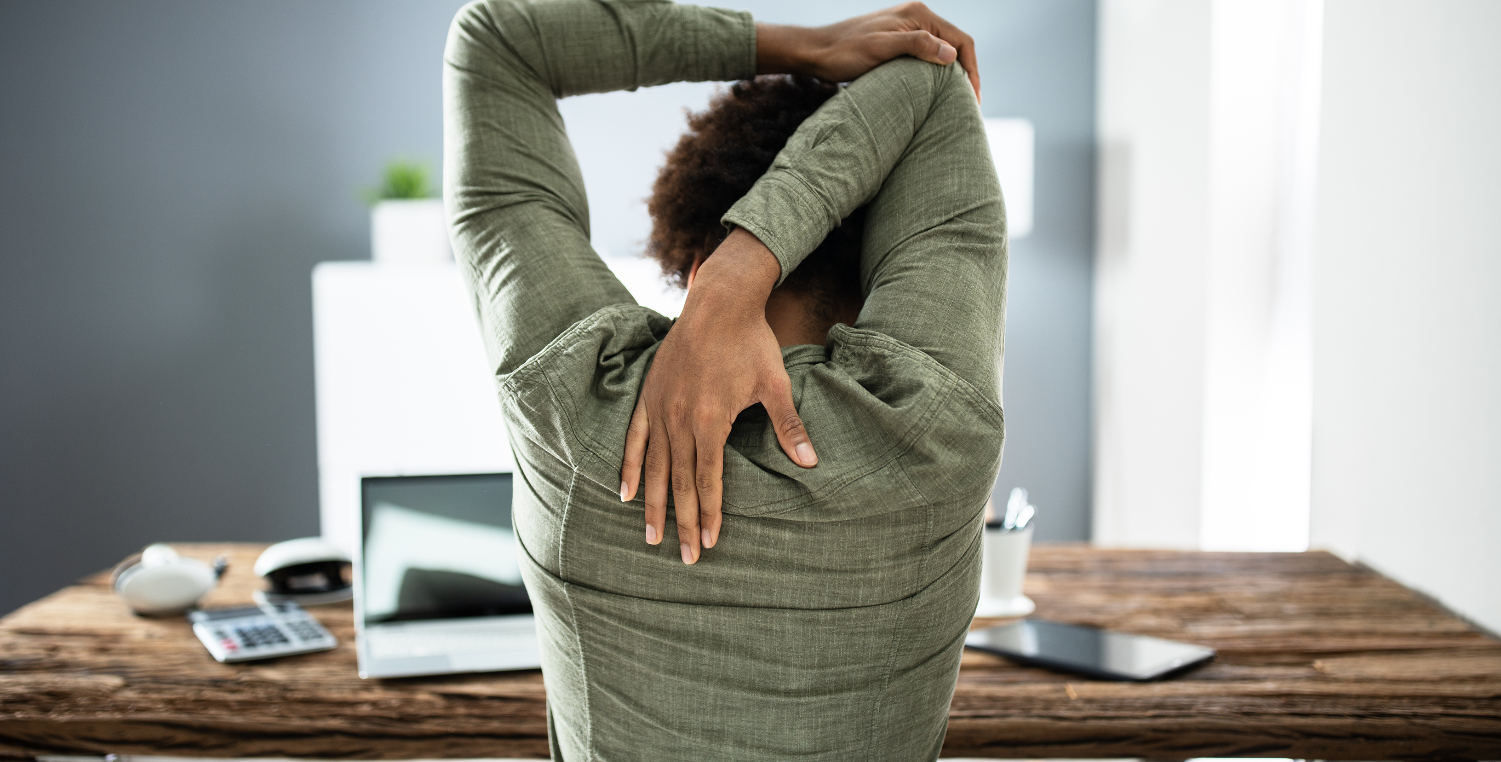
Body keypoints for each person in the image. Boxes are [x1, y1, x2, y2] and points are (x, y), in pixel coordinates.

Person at [443, 1, 1007, 758]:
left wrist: (803, 46)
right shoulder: (928, 420)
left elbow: (499, 39)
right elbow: (929, 75)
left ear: (692, 258)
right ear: (884, 256)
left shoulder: (573, 395)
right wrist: (750, 265)